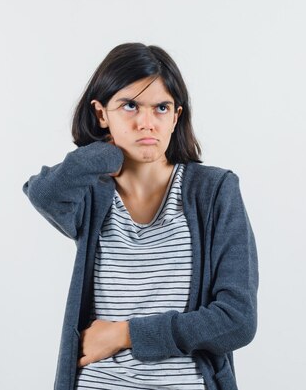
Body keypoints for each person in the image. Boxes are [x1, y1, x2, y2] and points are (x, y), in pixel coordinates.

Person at [22, 42, 258, 390]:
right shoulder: (90, 197)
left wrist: (124, 334)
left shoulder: (213, 192)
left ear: (176, 116)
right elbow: (43, 193)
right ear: (102, 113)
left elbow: (237, 320)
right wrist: (103, 155)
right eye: (129, 106)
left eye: (161, 107)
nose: (146, 123)